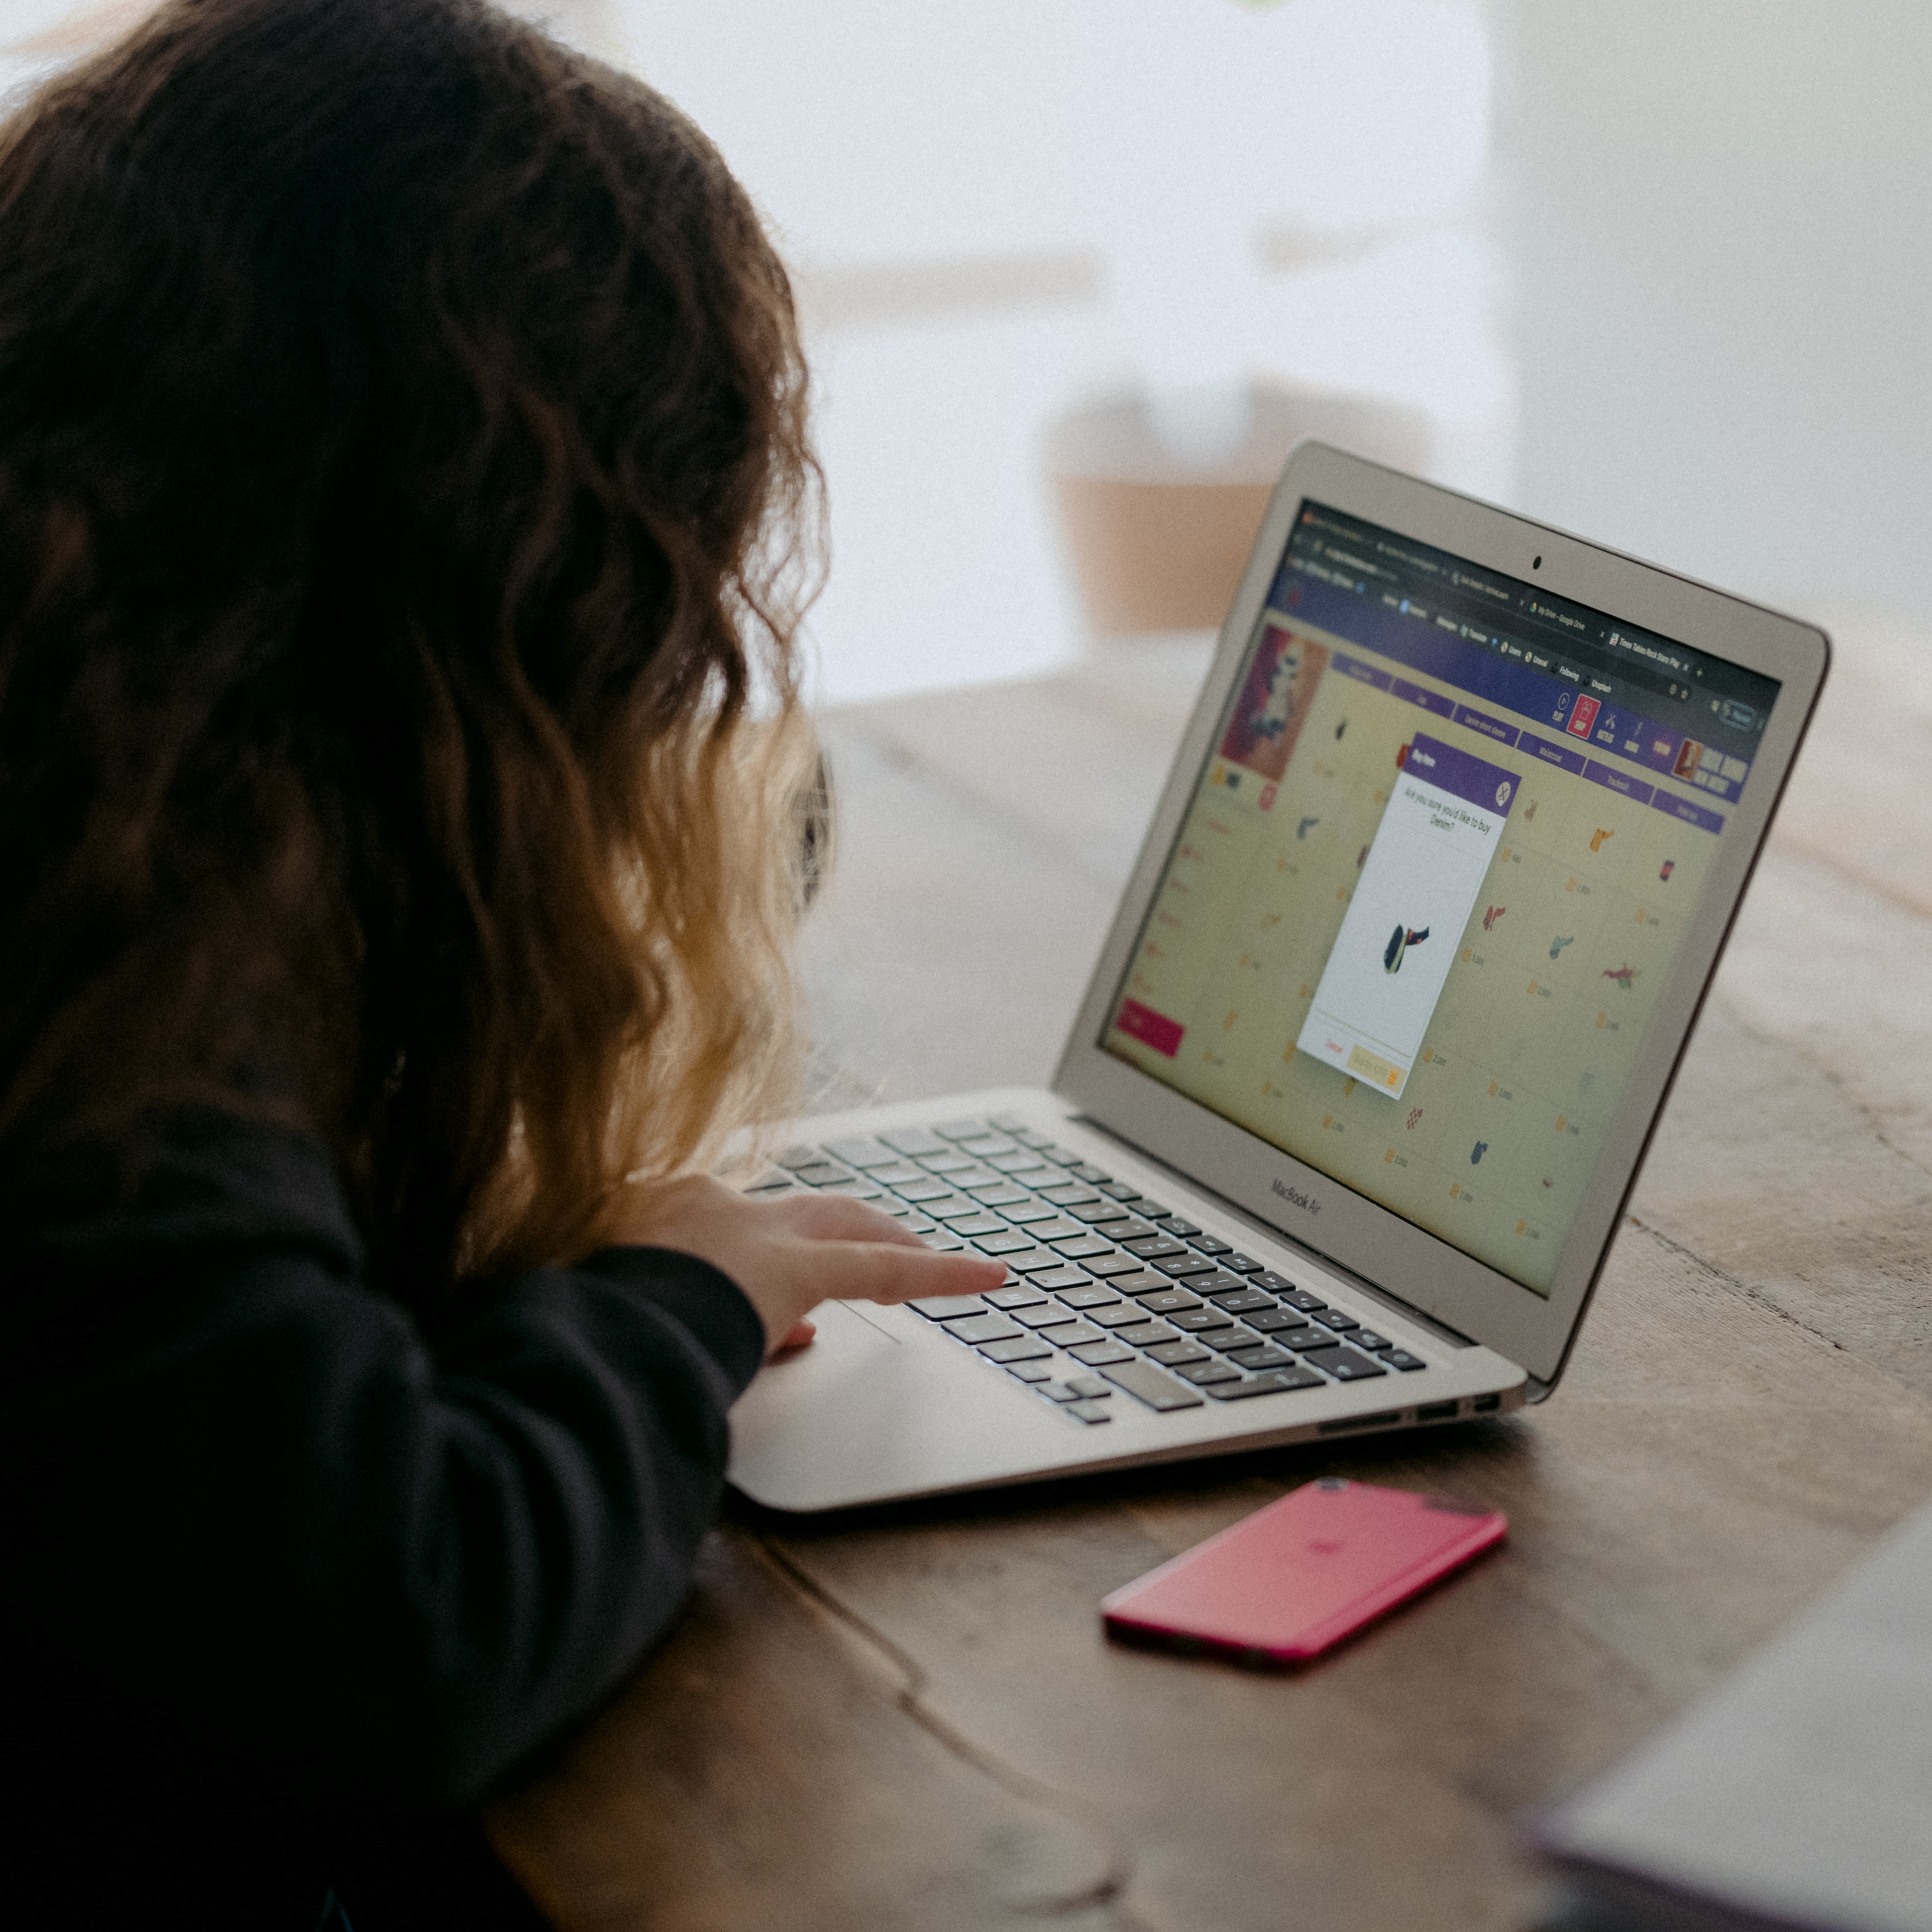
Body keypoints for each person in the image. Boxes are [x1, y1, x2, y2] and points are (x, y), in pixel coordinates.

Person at [0, 0, 1002, 1923]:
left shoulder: (77, 751)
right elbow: (383, 1632)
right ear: (517, 578)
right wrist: (670, 1305)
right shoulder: (121, 989)